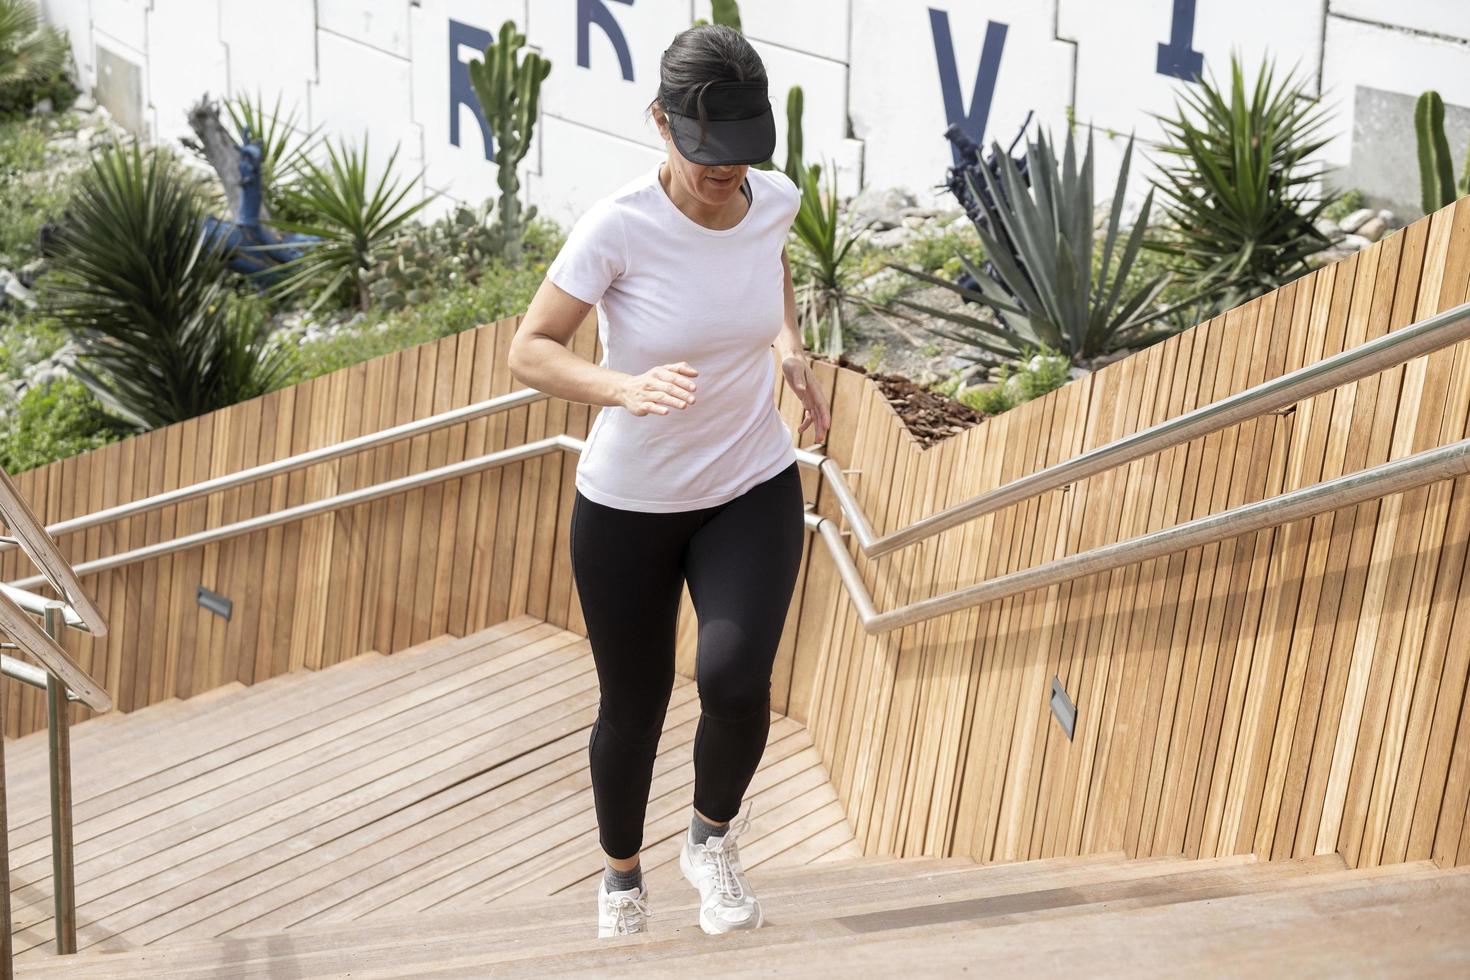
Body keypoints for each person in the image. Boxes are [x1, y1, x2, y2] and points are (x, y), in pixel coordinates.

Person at [508, 23, 831, 940]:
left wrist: (788, 346)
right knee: (635, 703)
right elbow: (528, 351)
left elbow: (768, 263)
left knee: (733, 680)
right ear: (660, 122)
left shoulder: (774, 200)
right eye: (704, 155)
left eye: (739, 155)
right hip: (629, 506)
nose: (724, 172)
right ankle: (620, 876)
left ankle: (711, 841)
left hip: (749, 480)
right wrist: (622, 386)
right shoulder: (617, 226)